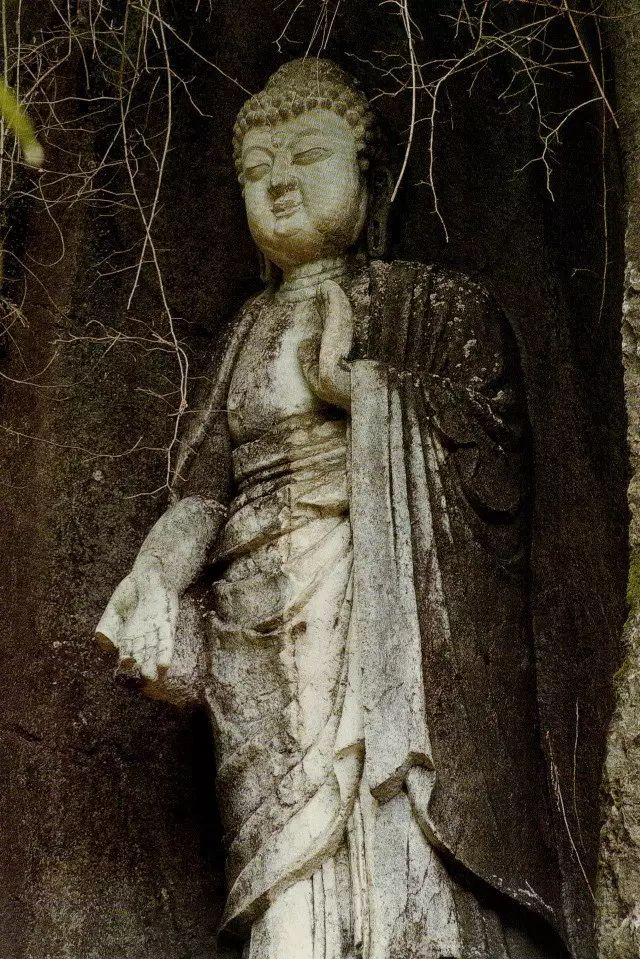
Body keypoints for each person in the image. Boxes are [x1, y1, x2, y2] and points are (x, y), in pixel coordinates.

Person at [96, 59, 575, 959]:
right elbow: (201, 492)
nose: (279, 181)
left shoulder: (436, 303)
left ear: (372, 177)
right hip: (263, 639)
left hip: (390, 617)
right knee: (285, 893)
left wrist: (361, 391)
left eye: (308, 156)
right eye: (257, 170)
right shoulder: (244, 334)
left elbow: (495, 458)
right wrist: (154, 575)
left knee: (398, 845)